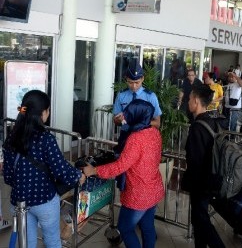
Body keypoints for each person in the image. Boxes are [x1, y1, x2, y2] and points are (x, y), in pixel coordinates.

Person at [3, 90, 86, 248]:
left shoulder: (11, 137)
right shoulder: (46, 138)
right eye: (48, 110)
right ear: (43, 113)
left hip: (19, 203)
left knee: (27, 243)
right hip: (44, 202)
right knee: (52, 239)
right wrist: (78, 176)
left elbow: (7, 176)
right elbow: (61, 170)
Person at [83, 99, 164, 248]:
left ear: (137, 117)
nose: (124, 116)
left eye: (128, 114)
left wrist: (94, 170)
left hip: (138, 194)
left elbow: (121, 166)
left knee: (125, 229)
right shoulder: (154, 132)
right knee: (147, 227)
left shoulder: (135, 139)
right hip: (153, 190)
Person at [181, 85, 225, 248]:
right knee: (199, 219)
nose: (188, 102)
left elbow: (195, 160)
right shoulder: (212, 122)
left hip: (201, 182)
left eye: (190, 99)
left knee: (201, 220)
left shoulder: (197, 128)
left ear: (197, 101)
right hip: (212, 178)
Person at [113, 60, 162, 129]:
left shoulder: (150, 96)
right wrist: (120, 120)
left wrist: (140, 123)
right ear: (126, 79)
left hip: (144, 137)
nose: (134, 86)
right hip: (126, 136)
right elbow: (116, 121)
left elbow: (157, 123)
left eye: (137, 82)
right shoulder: (121, 95)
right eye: (130, 82)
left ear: (142, 79)